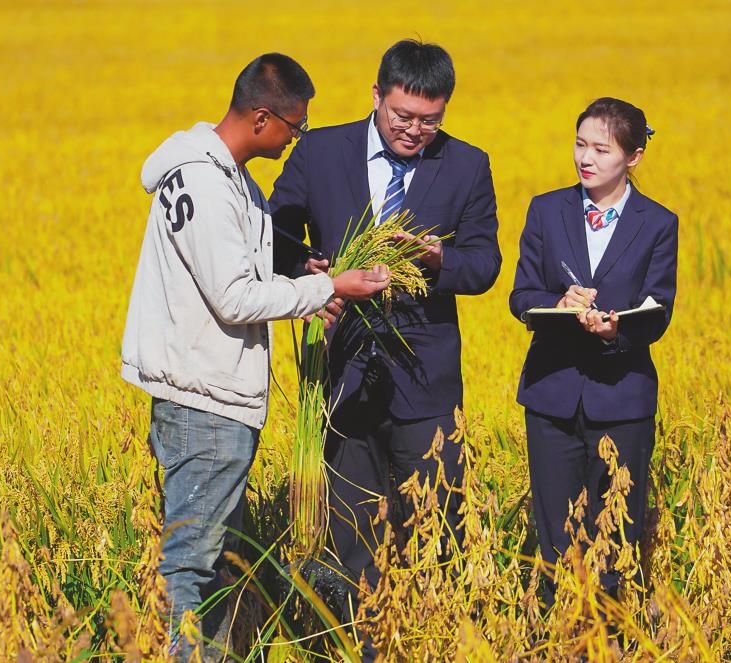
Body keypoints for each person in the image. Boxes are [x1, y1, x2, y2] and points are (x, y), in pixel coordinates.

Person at [120, 53, 390, 657]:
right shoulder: (207, 183)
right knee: (194, 566)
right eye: (294, 128)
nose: (296, 141)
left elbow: (242, 271)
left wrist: (303, 272)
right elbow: (234, 297)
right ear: (262, 117)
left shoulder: (230, 178)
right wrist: (328, 289)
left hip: (214, 400)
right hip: (204, 403)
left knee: (218, 565)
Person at [270, 39, 502, 606]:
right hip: (341, 374)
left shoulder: (467, 164)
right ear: (376, 95)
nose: (414, 130)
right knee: (351, 537)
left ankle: (431, 632)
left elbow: (485, 264)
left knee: (437, 527)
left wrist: (436, 259)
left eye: (430, 120)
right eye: (402, 115)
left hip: (428, 384)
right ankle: (360, 637)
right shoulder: (320, 152)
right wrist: (309, 275)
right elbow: (270, 237)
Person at [508, 97, 678, 607]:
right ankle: (560, 636)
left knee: (614, 539)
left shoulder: (657, 222)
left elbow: (660, 310)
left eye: (601, 149)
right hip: (552, 396)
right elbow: (521, 296)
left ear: (634, 156)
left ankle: (606, 639)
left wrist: (614, 331)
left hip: (621, 400)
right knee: (557, 539)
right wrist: (558, 304)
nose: (586, 158)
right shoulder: (546, 209)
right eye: (580, 144)